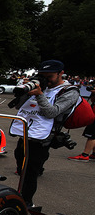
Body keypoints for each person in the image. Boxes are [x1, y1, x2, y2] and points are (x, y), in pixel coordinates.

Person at [9, 60, 80, 207]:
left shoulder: (69, 91)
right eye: (42, 75)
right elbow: (19, 106)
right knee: (20, 158)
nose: (45, 79)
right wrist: (25, 91)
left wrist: (40, 95)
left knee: (30, 171)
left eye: (49, 76)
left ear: (61, 73)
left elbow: (52, 112)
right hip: (28, 131)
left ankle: (26, 203)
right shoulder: (40, 85)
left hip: (43, 137)